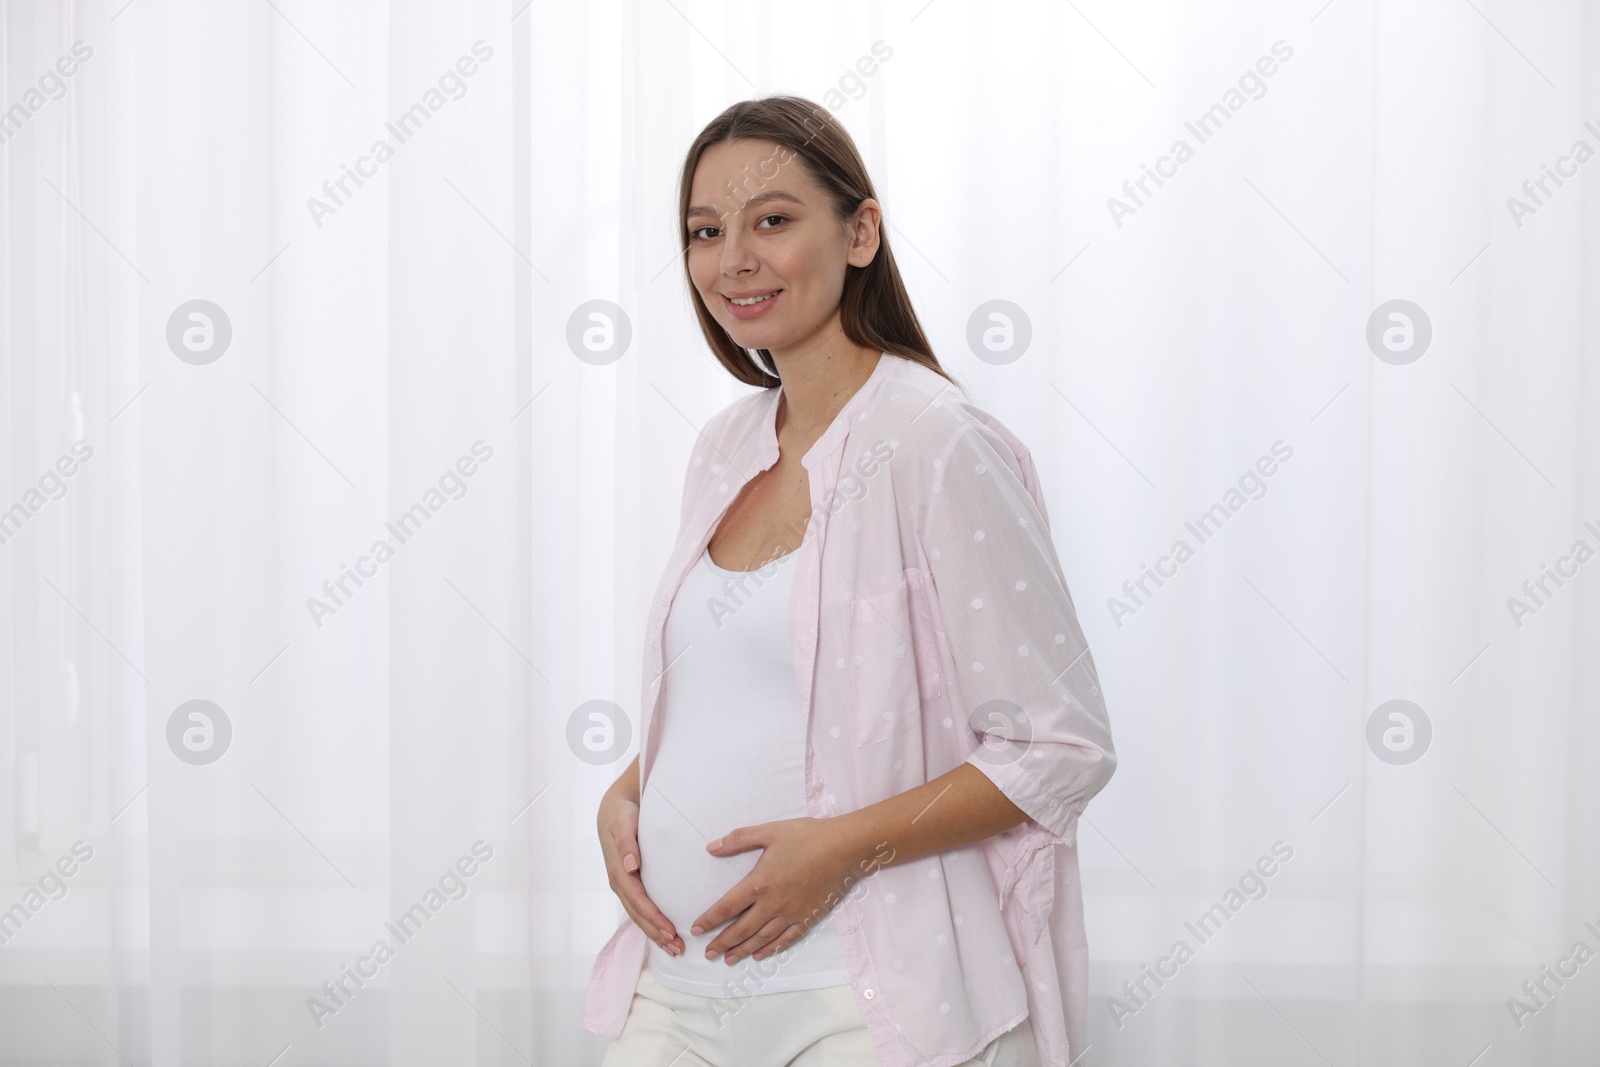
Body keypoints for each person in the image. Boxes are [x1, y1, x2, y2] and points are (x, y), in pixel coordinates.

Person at [584, 95, 1117, 1067]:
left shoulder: (934, 440)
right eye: (706, 231)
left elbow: (1061, 745)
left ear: (859, 231)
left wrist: (837, 848)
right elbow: (741, 689)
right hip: (676, 984)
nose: (732, 258)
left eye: (772, 220)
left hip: (863, 998)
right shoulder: (723, 447)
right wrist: (627, 794)